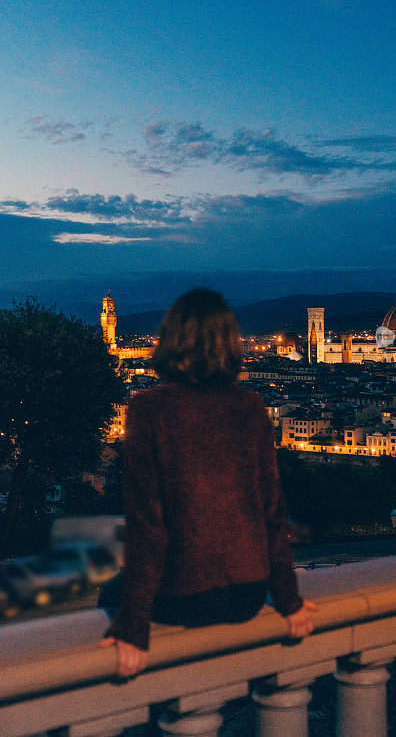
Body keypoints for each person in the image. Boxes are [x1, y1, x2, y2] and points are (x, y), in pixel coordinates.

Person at [100, 288, 316, 678]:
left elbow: (147, 524)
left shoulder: (147, 408)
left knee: (107, 590)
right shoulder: (250, 405)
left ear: (171, 340)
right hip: (247, 595)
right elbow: (272, 511)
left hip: (184, 599)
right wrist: (289, 601)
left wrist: (133, 627)